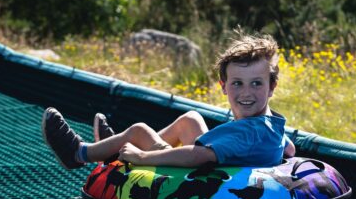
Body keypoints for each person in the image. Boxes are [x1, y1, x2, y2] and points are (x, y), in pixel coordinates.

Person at [42, 33, 295, 169]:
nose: (246, 93)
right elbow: (289, 150)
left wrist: (142, 157)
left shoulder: (246, 132)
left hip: (202, 175)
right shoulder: (270, 125)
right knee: (191, 119)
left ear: (272, 87)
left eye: (256, 83)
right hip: (225, 163)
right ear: (224, 87)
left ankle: (79, 153)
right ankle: (114, 149)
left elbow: (198, 157)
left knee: (139, 131)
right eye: (238, 83)